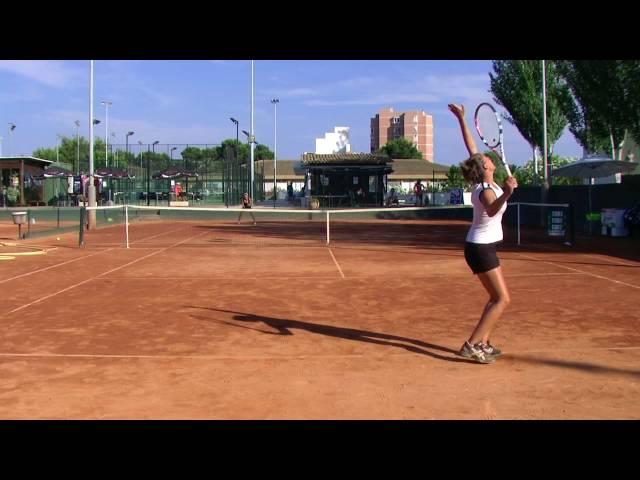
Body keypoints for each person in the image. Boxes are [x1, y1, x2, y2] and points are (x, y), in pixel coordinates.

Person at [448, 103, 518, 364]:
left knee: (496, 298)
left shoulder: (487, 181)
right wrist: (509, 193)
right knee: (502, 299)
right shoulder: (486, 190)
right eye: (487, 159)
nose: (489, 157)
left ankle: (484, 343)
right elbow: (490, 210)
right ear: (486, 167)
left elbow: (471, 147)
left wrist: (462, 119)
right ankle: (472, 344)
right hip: (480, 249)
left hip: (482, 247)